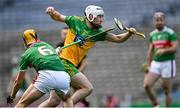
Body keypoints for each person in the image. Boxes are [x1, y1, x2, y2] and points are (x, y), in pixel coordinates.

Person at [40, 5, 137, 107]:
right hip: (64, 62)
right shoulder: (75, 21)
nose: (102, 20)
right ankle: (67, 105)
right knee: (87, 88)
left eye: (102, 17)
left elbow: (118, 38)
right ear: (91, 16)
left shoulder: (98, 33)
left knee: (53, 101)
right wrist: (52, 12)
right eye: (99, 17)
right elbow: (59, 17)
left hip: (62, 64)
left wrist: (129, 33)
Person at [6, 29, 73, 107]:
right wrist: (57, 51)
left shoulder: (26, 54)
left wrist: (12, 96)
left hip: (46, 77)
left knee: (22, 103)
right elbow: (52, 56)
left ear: (25, 42)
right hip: (63, 76)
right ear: (37, 38)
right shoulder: (47, 45)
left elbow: (18, 82)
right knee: (67, 99)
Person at [143, 12, 178, 107]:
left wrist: (164, 51)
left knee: (167, 91)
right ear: (154, 22)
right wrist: (148, 65)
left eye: (161, 20)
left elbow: (175, 48)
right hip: (156, 63)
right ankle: (156, 105)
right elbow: (150, 51)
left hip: (168, 63)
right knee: (147, 85)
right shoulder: (152, 34)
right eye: (157, 20)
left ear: (164, 21)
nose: (159, 22)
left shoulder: (170, 33)